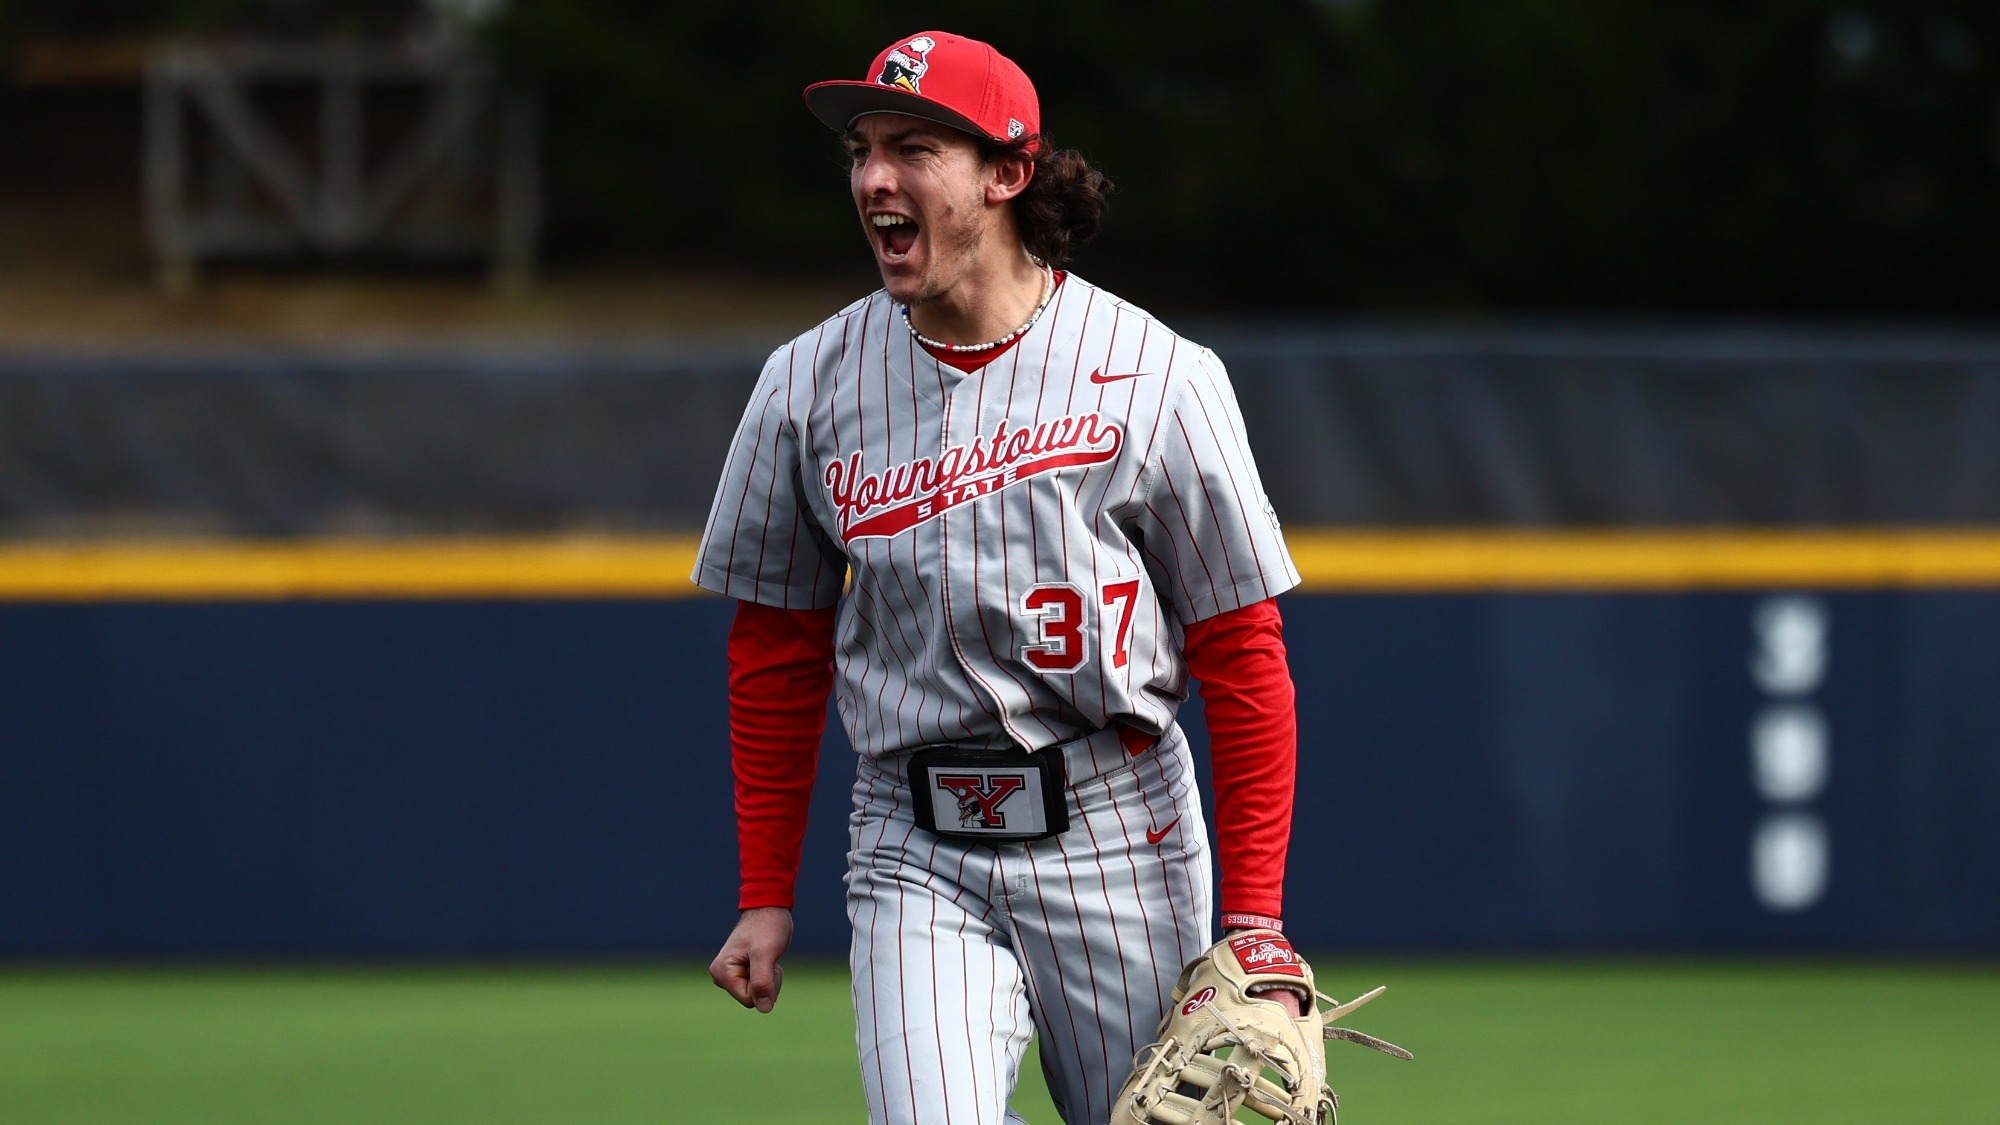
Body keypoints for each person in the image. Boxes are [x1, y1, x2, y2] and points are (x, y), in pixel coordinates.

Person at [695, 30, 1305, 1125]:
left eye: (914, 146)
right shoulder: (804, 385)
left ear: (1006, 173)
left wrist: (1254, 915)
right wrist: (762, 896)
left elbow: (1242, 649)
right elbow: (775, 648)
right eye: (861, 151)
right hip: (909, 839)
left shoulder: (1159, 378)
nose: (874, 176)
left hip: (1120, 835)